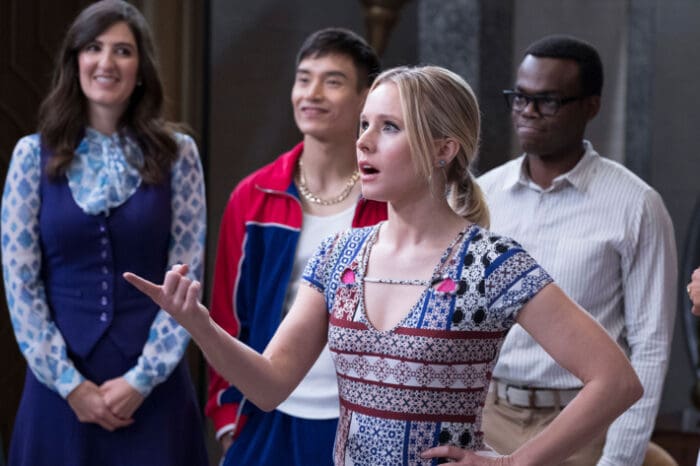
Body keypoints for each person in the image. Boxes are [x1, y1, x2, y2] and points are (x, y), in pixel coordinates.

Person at [126, 64, 642, 466]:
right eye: (365, 124)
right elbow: (269, 387)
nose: (364, 141)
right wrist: (200, 326)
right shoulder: (339, 254)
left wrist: (516, 463)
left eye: (389, 127)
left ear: (443, 149)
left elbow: (616, 381)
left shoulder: (491, 263)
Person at [0, 1, 208, 465]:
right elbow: (21, 285)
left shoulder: (179, 156)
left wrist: (142, 379)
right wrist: (70, 385)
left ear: (141, 69)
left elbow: (187, 279)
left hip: (153, 394)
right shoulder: (30, 156)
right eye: (93, 47)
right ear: (75, 61)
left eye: (122, 50)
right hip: (59, 392)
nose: (106, 62)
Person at [478, 34, 677, 466]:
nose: (528, 112)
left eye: (548, 101)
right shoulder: (483, 195)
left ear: (591, 106)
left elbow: (650, 347)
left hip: (583, 424)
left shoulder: (636, 205)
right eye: (520, 97)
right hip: (486, 417)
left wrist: (619, 458)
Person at [205, 28, 385, 466]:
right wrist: (229, 423)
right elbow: (229, 317)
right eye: (304, 79)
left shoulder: (389, 200)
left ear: (365, 99)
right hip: (267, 415)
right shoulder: (254, 196)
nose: (312, 93)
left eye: (333, 81)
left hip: (363, 420)